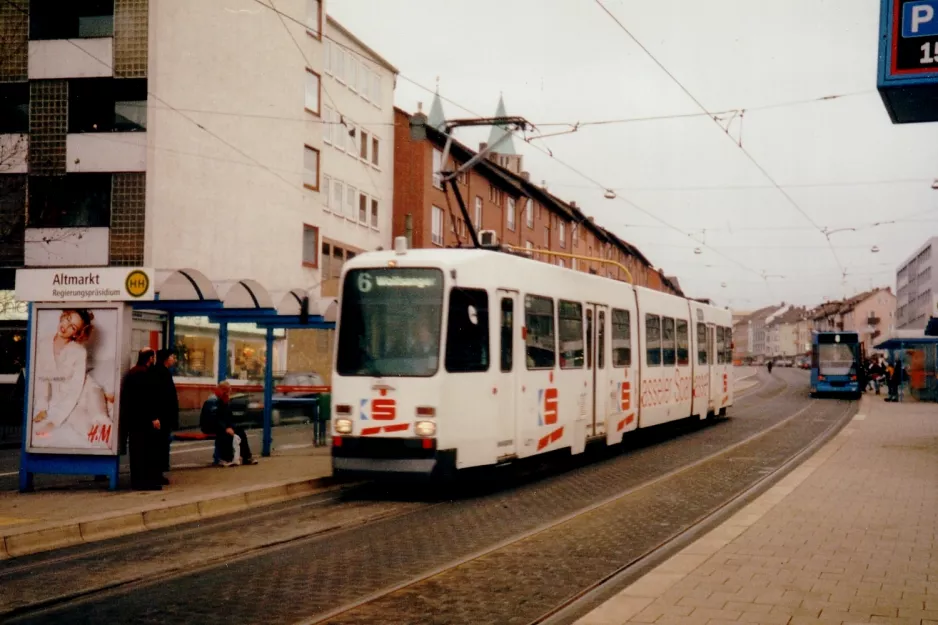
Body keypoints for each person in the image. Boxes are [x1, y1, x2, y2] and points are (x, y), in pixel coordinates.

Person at [32, 309, 114, 449]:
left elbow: (75, 389)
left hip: (87, 390)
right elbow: (43, 378)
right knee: (86, 430)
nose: (66, 326)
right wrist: (43, 407)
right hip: (67, 400)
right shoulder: (43, 344)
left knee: (101, 419)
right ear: (63, 316)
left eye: (73, 327)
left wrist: (55, 421)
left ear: (76, 334)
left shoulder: (79, 351)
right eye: (68, 319)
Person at [120, 348, 162, 490]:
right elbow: (146, 398)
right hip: (143, 420)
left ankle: (137, 481)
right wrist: (154, 417)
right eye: (153, 357)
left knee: (136, 451)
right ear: (150, 358)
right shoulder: (144, 374)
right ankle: (145, 482)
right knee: (146, 451)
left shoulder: (132, 373)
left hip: (132, 419)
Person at [200, 381, 257, 466]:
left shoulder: (223, 400)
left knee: (240, 432)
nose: (228, 394)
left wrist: (230, 426)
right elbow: (213, 418)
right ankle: (224, 458)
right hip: (210, 426)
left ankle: (246, 457)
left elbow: (227, 417)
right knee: (226, 435)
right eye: (226, 391)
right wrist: (225, 428)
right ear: (221, 390)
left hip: (221, 425)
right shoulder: (212, 401)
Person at [150, 349, 179, 484]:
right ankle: (157, 474)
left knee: (162, 444)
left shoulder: (163, 371)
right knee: (159, 445)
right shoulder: (161, 372)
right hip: (161, 416)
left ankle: (158, 473)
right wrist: (155, 416)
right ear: (166, 358)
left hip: (163, 416)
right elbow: (158, 396)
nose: (174, 359)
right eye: (172, 356)